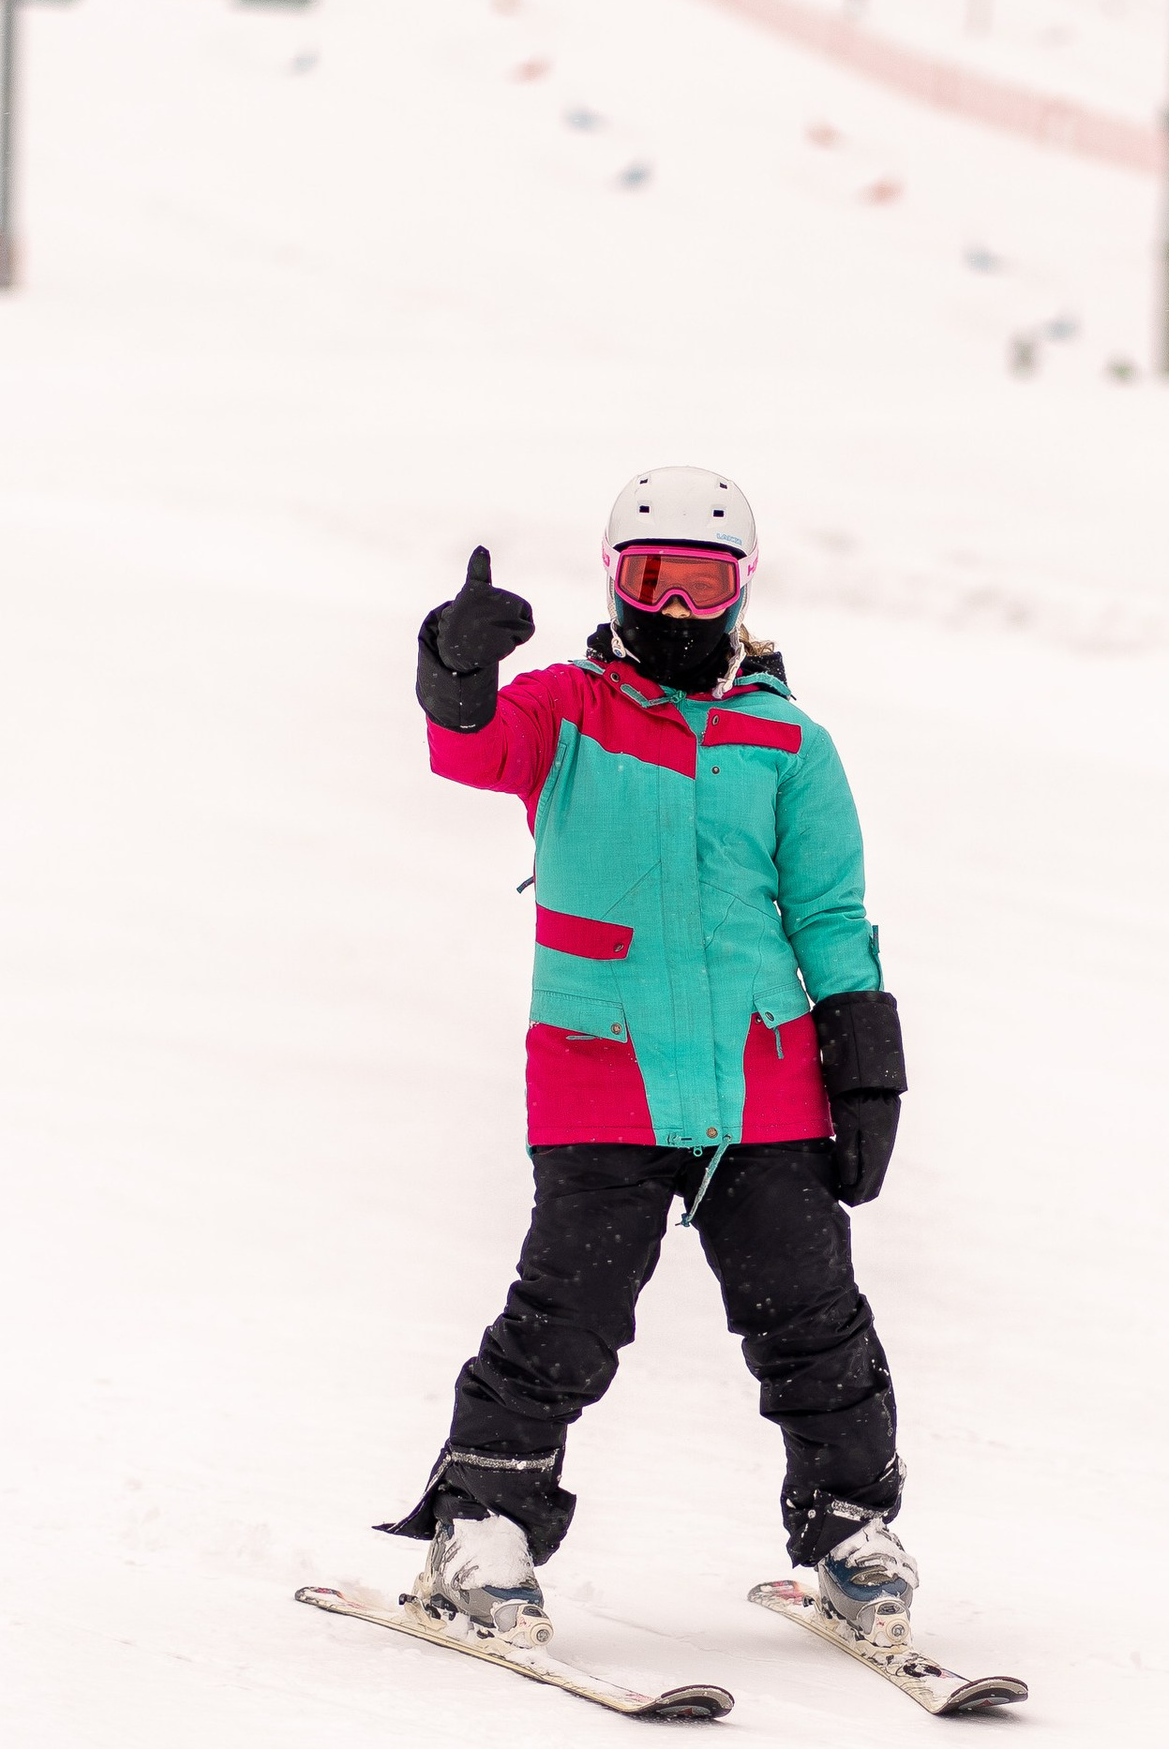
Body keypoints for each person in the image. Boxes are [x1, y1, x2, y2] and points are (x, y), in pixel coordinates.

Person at [383, 469, 917, 1648]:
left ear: (742, 589)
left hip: (764, 1086)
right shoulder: (564, 711)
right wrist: (454, 667)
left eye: (701, 583)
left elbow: (830, 915)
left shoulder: (788, 743)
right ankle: (482, 1524)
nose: (675, 607)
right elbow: (470, 747)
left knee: (814, 1323)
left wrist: (865, 1067)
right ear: (614, 581)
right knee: (565, 1319)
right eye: (651, 579)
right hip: (600, 1076)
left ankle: (849, 1528)